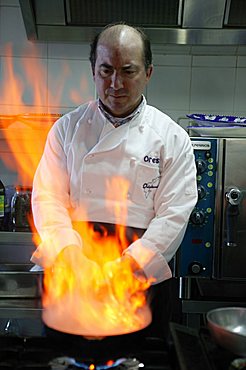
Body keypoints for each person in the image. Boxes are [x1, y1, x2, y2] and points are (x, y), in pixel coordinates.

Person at [31, 22, 198, 345]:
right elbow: (48, 199)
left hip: (137, 276)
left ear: (148, 72)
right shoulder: (67, 129)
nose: (115, 84)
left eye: (128, 71)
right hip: (75, 272)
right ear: (93, 70)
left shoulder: (172, 138)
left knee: (140, 359)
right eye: (106, 70)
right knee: (64, 356)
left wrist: (132, 263)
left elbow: (174, 214)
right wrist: (69, 254)